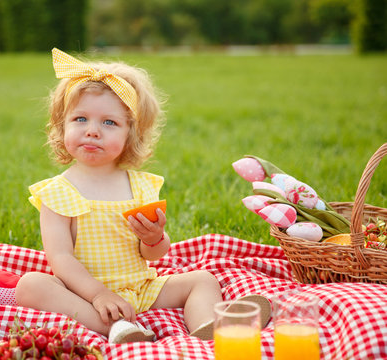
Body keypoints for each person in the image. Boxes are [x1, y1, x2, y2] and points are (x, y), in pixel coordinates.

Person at [15, 48, 271, 343]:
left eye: (109, 123)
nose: (92, 131)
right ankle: (115, 328)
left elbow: (152, 254)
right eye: (80, 119)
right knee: (31, 286)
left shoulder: (140, 186)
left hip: (141, 287)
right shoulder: (58, 192)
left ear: (130, 135)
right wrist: (99, 294)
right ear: (62, 127)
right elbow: (60, 258)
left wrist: (154, 238)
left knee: (202, 279)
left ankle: (209, 325)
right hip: (83, 294)